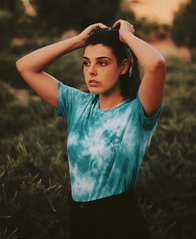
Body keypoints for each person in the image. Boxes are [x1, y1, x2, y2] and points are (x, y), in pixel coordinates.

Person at [16, 19, 166, 239]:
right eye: (86, 63)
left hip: (119, 222)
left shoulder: (137, 112)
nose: (92, 71)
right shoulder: (77, 104)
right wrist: (78, 41)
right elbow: (24, 66)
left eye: (102, 63)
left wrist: (126, 36)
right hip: (79, 218)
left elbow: (156, 64)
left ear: (123, 66)